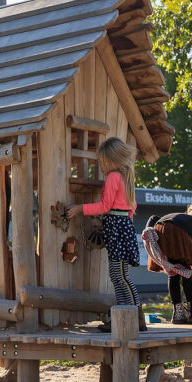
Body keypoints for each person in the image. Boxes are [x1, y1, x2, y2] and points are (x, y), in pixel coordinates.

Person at [66, 137, 146, 332]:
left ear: (113, 160)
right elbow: (132, 206)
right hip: (122, 226)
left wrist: (80, 208)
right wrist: (123, 222)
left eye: (103, 162)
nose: (101, 167)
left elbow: (105, 206)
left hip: (116, 227)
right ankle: (124, 315)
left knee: (120, 275)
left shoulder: (113, 177)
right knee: (118, 274)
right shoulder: (126, 178)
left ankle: (136, 316)